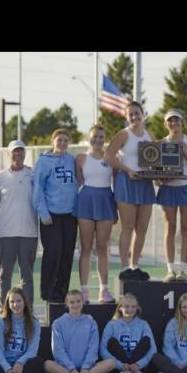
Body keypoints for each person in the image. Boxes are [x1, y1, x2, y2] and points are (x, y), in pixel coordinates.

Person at [104, 101, 154, 282]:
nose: (134, 117)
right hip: (126, 182)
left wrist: (158, 174)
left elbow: (155, 159)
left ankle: (135, 265)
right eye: (130, 114)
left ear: (143, 114)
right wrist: (128, 170)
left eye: (137, 113)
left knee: (142, 228)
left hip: (145, 183)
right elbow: (108, 156)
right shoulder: (123, 134)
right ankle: (125, 267)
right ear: (126, 117)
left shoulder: (150, 135)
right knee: (127, 226)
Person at [33, 128, 79, 310]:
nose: (62, 143)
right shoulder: (44, 161)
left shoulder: (71, 160)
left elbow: (76, 184)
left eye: (65, 140)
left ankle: (62, 292)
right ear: (53, 141)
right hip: (51, 215)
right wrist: (43, 212)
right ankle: (48, 292)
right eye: (59, 140)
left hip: (70, 215)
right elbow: (37, 189)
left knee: (67, 254)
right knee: (53, 253)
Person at [0, 140, 38, 310]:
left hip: (29, 234)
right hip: (6, 235)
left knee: (27, 277)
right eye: (14, 153)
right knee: (4, 276)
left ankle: (28, 311)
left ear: (25, 154)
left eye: (20, 152)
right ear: (9, 155)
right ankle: (3, 311)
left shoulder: (33, 175)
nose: (18, 156)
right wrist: (5, 220)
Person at [155, 110, 187, 283]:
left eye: (176, 120)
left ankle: (182, 270)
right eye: (170, 120)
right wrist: (158, 178)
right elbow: (155, 170)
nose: (173, 123)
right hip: (168, 190)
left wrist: (185, 154)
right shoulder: (160, 143)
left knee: (185, 229)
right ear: (165, 124)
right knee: (170, 228)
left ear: (182, 122)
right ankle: (170, 270)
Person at [75, 125, 117, 303]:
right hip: (86, 203)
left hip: (106, 201)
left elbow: (117, 183)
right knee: (85, 247)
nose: (98, 140)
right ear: (88, 137)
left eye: (101, 137)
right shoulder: (81, 158)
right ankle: (84, 291)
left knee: (102, 247)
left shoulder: (111, 158)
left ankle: (103, 290)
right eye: (94, 136)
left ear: (105, 139)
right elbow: (78, 183)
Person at [44, 289, 117, 373]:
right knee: (47, 365)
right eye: (72, 302)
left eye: (78, 301)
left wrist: (85, 367)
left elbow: (93, 348)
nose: (75, 305)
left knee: (111, 362)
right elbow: (58, 350)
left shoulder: (91, 322)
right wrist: (71, 369)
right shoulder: (58, 323)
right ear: (67, 304)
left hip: (88, 368)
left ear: (83, 302)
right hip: (65, 368)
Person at [99, 293, 156, 373]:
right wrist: (120, 365)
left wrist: (138, 364)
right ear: (120, 308)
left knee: (146, 340)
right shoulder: (112, 324)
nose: (130, 309)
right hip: (118, 366)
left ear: (137, 308)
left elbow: (153, 349)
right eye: (126, 306)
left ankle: (131, 372)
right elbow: (102, 349)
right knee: (112, 342)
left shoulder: (143, 324)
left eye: (133, 306)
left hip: (137, 364)